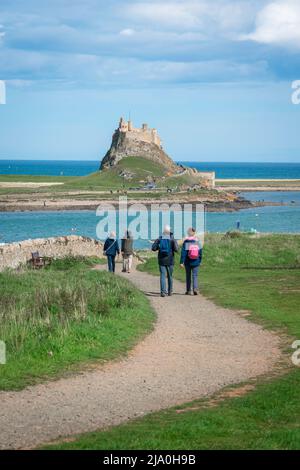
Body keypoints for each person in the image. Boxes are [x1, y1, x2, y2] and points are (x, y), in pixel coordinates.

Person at [152, 225, 178, 297]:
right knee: (170, 276)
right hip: (170, 260)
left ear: (164, 231)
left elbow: (153, 248)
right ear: (169, 231)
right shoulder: (172, 238)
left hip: (161, 260)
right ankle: (170, 292)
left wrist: (158, 247)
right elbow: (176, 249)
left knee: (162, 276)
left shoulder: (160, 238)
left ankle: (163, 292)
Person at [180, 227, 202, 295]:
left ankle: (188, 290)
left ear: (188, 233)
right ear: (194, 233)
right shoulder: (197, 241)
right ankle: (195, 289)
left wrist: (181, 262)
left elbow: (184, 253)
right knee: (195, 276)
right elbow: (200, 252)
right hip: (196, 261)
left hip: (188, 261)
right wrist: (200, 261)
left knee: (188, 276)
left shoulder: (186, 242)